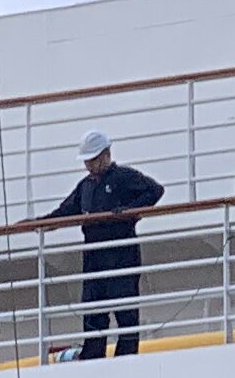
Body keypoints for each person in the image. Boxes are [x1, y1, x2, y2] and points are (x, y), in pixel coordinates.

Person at [44, 131, 162, 360]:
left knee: (125, 311)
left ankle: (126, 356)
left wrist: (129, 212)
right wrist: (42, 223)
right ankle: (92, 355)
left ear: (106, 155)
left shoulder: (123, 177)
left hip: (121, 255)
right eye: (87, 161)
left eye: (93, 160)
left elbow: (155, 190)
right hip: (94, 257)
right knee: (93, 310)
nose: (89, 166)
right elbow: (66, 210)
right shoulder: (86, 186)